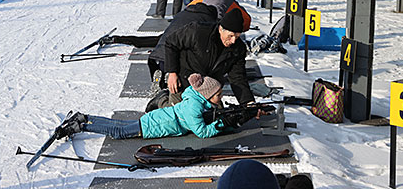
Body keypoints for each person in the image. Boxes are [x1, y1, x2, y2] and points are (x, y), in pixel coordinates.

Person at [54, 74, 250, 140]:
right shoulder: (194, 108)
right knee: (118, 132)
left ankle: (84, 117)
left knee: (118, 125)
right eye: (218, 94)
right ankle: (82, 125)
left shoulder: (198, 100)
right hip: (154, 126)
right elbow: (202, 132)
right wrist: (221, 125)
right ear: (207, 95)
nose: (221, 97)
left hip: (156, 120)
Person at [148, 8, 255, 110]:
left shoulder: (238, 49)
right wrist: (172, 72)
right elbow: (171, 43)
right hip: (185, 81)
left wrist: (248, 102)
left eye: (237, 36)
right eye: (230, 36)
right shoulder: (198, 32)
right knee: (180, 118)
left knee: (217, 119)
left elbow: (238, 78)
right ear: (221, 29)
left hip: (210, 89)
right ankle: (161, 100)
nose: (233, 41)